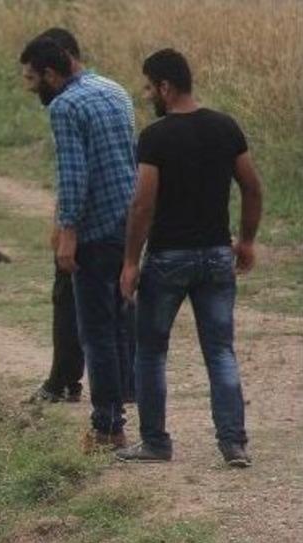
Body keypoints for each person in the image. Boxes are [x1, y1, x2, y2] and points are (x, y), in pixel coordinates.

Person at [116, 49, 262, 468]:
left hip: (168, 257)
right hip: (216, 255)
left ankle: (155, 441)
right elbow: (252, 187)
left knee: (151, 351)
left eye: (149, 87)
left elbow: (143, 205)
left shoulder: (155, 137)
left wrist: (130, 261)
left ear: (165, 87)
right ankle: (233, 443)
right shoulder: (225, 126)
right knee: (220, 351)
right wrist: (246, 241)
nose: (147, 95)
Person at [19, 38, 136, 452]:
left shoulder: (65, 107)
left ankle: (107, 428)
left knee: (97, 331)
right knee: (122, 317)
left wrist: (66, 232)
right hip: (129, 221)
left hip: (95, 228)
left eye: (32, 79)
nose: (30, 88)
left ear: (51, 74)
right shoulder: (112, 89)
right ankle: (127, 392)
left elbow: (73, 174)